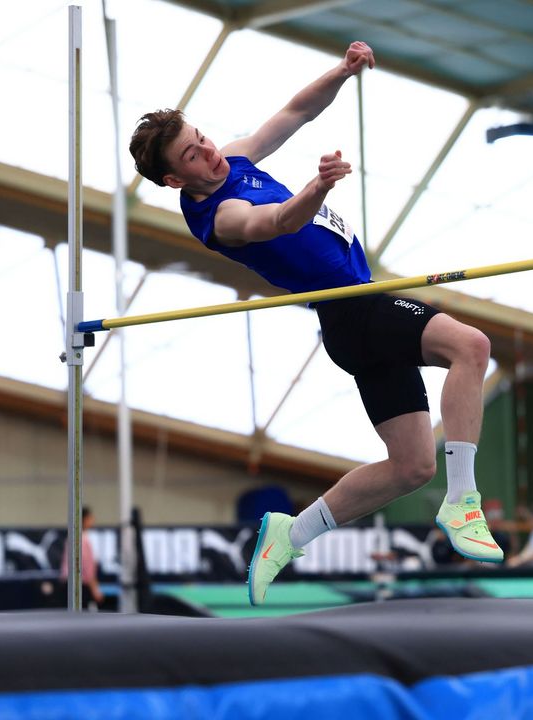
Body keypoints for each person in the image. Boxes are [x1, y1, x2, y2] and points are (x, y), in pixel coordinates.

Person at [129, 41, 504, 606]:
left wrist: (343, 72)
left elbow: (295, 111)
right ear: (175, 180)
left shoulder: (233, 159)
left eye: (200, 137)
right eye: (191, 155)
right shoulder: (219, 216)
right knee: (470, 346)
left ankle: (291, 533)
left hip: (355, 318)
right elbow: (277, 221)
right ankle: (463, 502)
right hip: (355, 308)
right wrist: (318, 187)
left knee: (411, 467)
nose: (208, 151)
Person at [60, 506, 105, 610]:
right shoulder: (83, 539)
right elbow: (86, 567)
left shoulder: (71, 537)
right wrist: (94, 588)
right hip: (80, 585)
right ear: (85, 519)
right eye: (90, 518)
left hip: (69, 584)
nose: (93, 520)